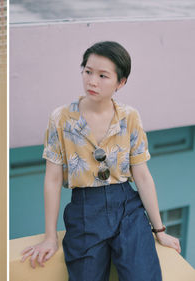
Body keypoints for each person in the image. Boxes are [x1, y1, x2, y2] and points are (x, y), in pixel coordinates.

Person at [20, 41, 181, 280]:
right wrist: (50, 237)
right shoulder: (61, 118)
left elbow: (142, 176)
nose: (92, 81)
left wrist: (159, 230)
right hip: (84, 210)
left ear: (121, 82)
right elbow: (52, 180)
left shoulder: (129, 117)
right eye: (87, 71)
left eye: (103, 75)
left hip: (128, 208)